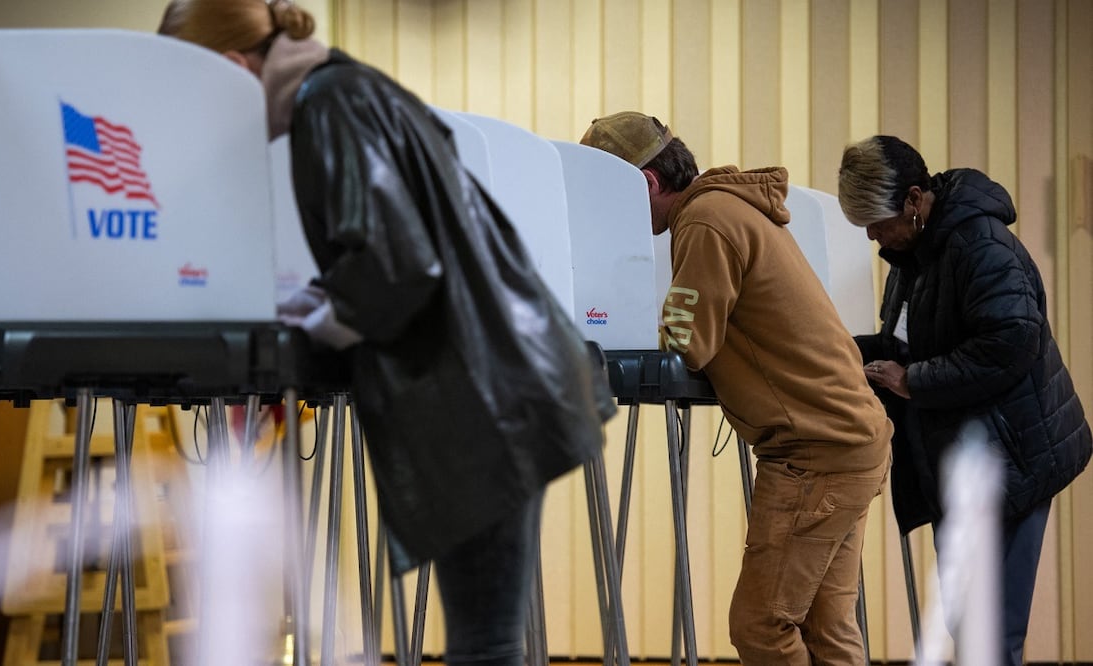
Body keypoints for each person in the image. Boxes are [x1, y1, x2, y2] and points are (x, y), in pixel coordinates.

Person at [160, 3, 615, 666]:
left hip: (484, 395)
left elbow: (398, 264)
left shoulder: (329, 105)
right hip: (499, 380)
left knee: (484, 642)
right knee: (487, 636)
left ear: (232, 70)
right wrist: (322, 296)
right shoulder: (350, 89)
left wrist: (320, 314)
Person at [581, 112, 893, 665]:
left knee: (761, 625)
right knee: (828, 628)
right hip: (850, 441)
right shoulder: (733, 209)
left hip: (813, 454)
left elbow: (687, 341)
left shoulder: (705, 221)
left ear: (648, 183)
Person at [838, 135, 1092, 666]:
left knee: (989, 633)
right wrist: (837, 350)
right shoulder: (915, 254)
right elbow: (908, 341)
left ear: (913, 199)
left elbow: (1010, 342)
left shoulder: (980, 245)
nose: (871, 235)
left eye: (876, 222)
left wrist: (915, 382)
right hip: (965, 457)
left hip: (1014, 457)